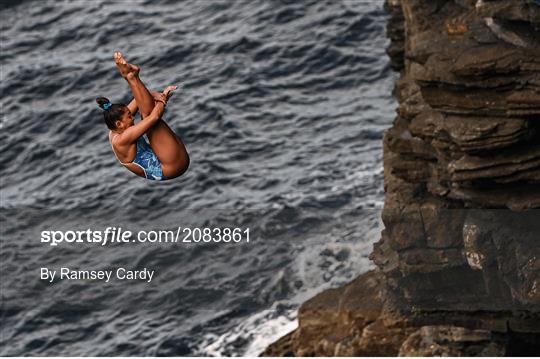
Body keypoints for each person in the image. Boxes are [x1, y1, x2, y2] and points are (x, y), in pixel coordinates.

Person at [96, 52, 189, 180]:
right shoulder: (121, 140)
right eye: (129, 117)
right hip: (171, 167)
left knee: (145, 110)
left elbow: (139, 99)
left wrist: (156, 95)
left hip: (168, 157)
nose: (133, 117)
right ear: (119, 124)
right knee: (147, 116)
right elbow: (154, 117)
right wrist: (163, 99)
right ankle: (130, 77)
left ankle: (131, 77)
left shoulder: (116, 128)